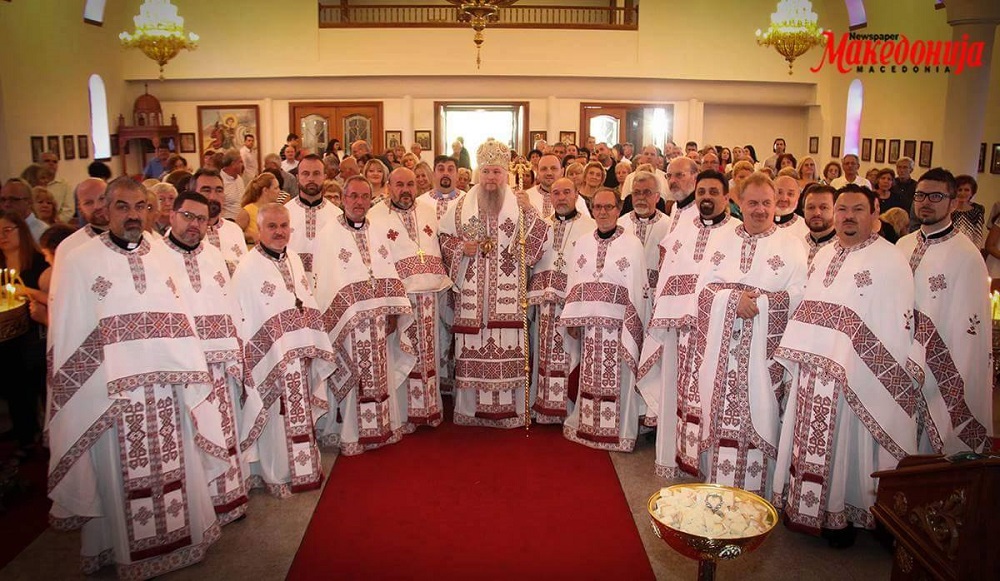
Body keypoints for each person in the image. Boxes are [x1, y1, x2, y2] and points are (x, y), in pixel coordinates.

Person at [47, 177, 226, 578]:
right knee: (119, 480)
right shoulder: (80, 260)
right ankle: (120, 551)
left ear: (149, 210)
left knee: (178, 470)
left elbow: (182, 318)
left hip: (169, 390)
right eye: (123, 206)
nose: (132, 215)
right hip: (113, 396)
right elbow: (69, 331)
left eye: (140, 207)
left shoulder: (163, 254)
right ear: (106, 209)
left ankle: (185, 541)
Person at [772, 184, 919, 546]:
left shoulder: (889, 260)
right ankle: (810, 509)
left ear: (875, 213)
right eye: (842, 209)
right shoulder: (824, 254)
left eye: (857, 209)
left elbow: (894, 325)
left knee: (848, 446)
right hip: (813, 374)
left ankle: (843, 516)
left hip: (857, 376)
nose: (848, 216)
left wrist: (848, 355)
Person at [688, 172, 807, 497]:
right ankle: (718, 487)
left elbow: (799, 295)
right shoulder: (720, 240)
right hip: (722, 358)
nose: (760, 209)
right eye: (753, 202)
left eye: (767, 202)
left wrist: (761, 304)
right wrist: (732, 301)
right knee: (721, 419)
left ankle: (758, 495)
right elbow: (702, 291)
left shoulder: (792, 245)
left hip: (764, 361)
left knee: (763, 418)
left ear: (776, 203)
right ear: (739, 203)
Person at [159, 191, 261, 524]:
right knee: (191, 438)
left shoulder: (215, 256)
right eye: (187, 216)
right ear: (172, 215)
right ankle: (198, 511)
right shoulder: (156, 257)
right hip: (182, 369)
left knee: (224, 428)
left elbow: (229, 305)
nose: (194, 224)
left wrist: (238, 354)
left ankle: (228, 500)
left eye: (201, 219)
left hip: (220, 366)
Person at [637, 169, 740, 479]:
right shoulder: (679, 233)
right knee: (676, 396)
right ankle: (676, 458)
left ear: (726, 197)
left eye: (713, 192)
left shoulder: (738, 234)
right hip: (678, 335)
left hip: (718, 335)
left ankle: (708, 467)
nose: (706, 197)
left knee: (710, 399)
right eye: (702, 192)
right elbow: (666, 279)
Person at [438, 138, 548, 428]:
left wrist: (531, 211)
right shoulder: (461, 206)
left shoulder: (519, 203)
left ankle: (511, 413)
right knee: (471, 349)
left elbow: (537, 247)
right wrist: (461, 249)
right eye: (486, 171)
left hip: (507, 302)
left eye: (497, 172)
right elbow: (444, 239)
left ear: (505, 174)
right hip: (472, 300)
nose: (491, 178)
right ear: (479, 172)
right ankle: (469, 412)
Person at [230, 203, 336, 496]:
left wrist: (311, 343)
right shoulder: (248, 267)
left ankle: (304, 469)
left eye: (284, 226)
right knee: (276, 419)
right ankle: (275, 475)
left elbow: (304, 299)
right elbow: (247, 318)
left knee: (299, 413)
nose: (279, 232)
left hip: (299, 356)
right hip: (270, 359)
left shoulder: (294, 260)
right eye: (272, 226)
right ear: (259, 230)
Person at [312, 176, 415, 453]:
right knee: (353, 378)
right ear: (343, 199)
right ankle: (351, 434)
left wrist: (393, 313)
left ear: (371, 199)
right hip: (348, 325)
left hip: (378, 324)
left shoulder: (377, 231)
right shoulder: (328, 234)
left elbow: (388, 272)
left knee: (380, 376)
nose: (359, 202)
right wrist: (343, 316)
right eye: (353, 196)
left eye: (364, 197)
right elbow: (325, 283)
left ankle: (382, 428)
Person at [896, 168, 992, 454]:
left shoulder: (966, 255)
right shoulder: (903, 244)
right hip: (899, 358)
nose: (926, 202)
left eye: (936, 196)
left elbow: (970, 326)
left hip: (939, 367)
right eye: (921, 195)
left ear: (953, 203)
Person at [559, 188, 647, 450]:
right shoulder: (583, 243)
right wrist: (573, 319)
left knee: (619, 381)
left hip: (620, 328)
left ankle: (620, 433)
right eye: (598, 207)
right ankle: (587, 425)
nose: (603, 212)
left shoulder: (632, 243)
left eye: (609, 207)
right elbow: (574, 282)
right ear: (592, 210)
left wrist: (631, 326)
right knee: (589, 377)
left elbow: (638, 289)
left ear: (618, 210)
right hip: (589, 328)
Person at [367, 168, 451, 428]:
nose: (405, 190)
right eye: (399, 184)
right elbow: (374, 262)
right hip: (399, 300)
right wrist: (388, 305)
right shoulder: (375, 216)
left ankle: (430, 410)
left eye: (410, 184)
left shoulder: (428, 211)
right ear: (389, 186)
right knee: (401, 353)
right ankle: (404, 415)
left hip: (429, 299)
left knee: (429, 354)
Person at [528, 177, 596, 423]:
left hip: (573, 306)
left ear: (577, 195)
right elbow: (528, 259)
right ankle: (543, 406)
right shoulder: (542, 226)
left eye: (567, 192)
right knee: (544, 356)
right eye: (556, 193)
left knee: (572, 355)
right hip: (545, 307)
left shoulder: (590, 227)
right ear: (550, 197)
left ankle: (569, 409)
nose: (561, 197)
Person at [0, 210, 47, 458]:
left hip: (34, 335)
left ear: (22, 231)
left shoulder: (38, 262)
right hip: (6, 337)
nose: (2, 236)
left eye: (7, 230)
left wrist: (25, 291)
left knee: (36, 384)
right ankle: (24, 434)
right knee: (13, 386)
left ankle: (45, 434)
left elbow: (53, 297)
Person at [285, 154, 343, 281]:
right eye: (305, 174)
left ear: (324, 177)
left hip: (327, 283)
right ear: (297, 177)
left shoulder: (338, 216)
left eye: (316, 174)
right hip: (293, 283)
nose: (311, 179)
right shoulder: (284, 214)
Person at [617, 170, 669, 309]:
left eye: (647, 192)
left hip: (656, 298)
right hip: (625, 295)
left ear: (657, 197)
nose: (641, 197)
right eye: (636, 193)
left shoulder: (669, 226)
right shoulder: (620, 224)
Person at [191, 168, 247, 274]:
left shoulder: (234, 229)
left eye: (219, 190)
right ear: (192, 195)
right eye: (206, 190)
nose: (213, 197)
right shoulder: (183, 231)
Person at [237, 172, 282, 245]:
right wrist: (251, 235)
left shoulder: (278, 209)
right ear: (265, 190)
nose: (279, 191)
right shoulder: (247, 211)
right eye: (276, 188)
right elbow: (234, 233)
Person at [802, 184, 837, 265]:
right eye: (811, 207)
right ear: (803, 210)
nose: (816, 213)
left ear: (835, 210)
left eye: (824, 207)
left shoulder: (844, 247)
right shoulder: (797, 244)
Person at [950, 174, 984, 248]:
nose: (962, 193)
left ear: (972, 192)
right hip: (950, 248)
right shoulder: (948, 210)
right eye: (959, 190)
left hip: (970, 249)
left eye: (966, 190)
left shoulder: (978, 210)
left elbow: (978, 237)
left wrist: (975, 252)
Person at [774, 175, 809, 244]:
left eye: (790, 194)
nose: (784, 199)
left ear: (798, 197)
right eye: (779, 192)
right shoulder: (758, 224)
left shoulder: (805, 229)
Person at [426, 155, 463, 220]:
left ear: (457, 175)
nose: (446, 173)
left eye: (450, 170)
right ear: (433, 174)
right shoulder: (421, 202)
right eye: (441, 169)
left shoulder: (466, 200)